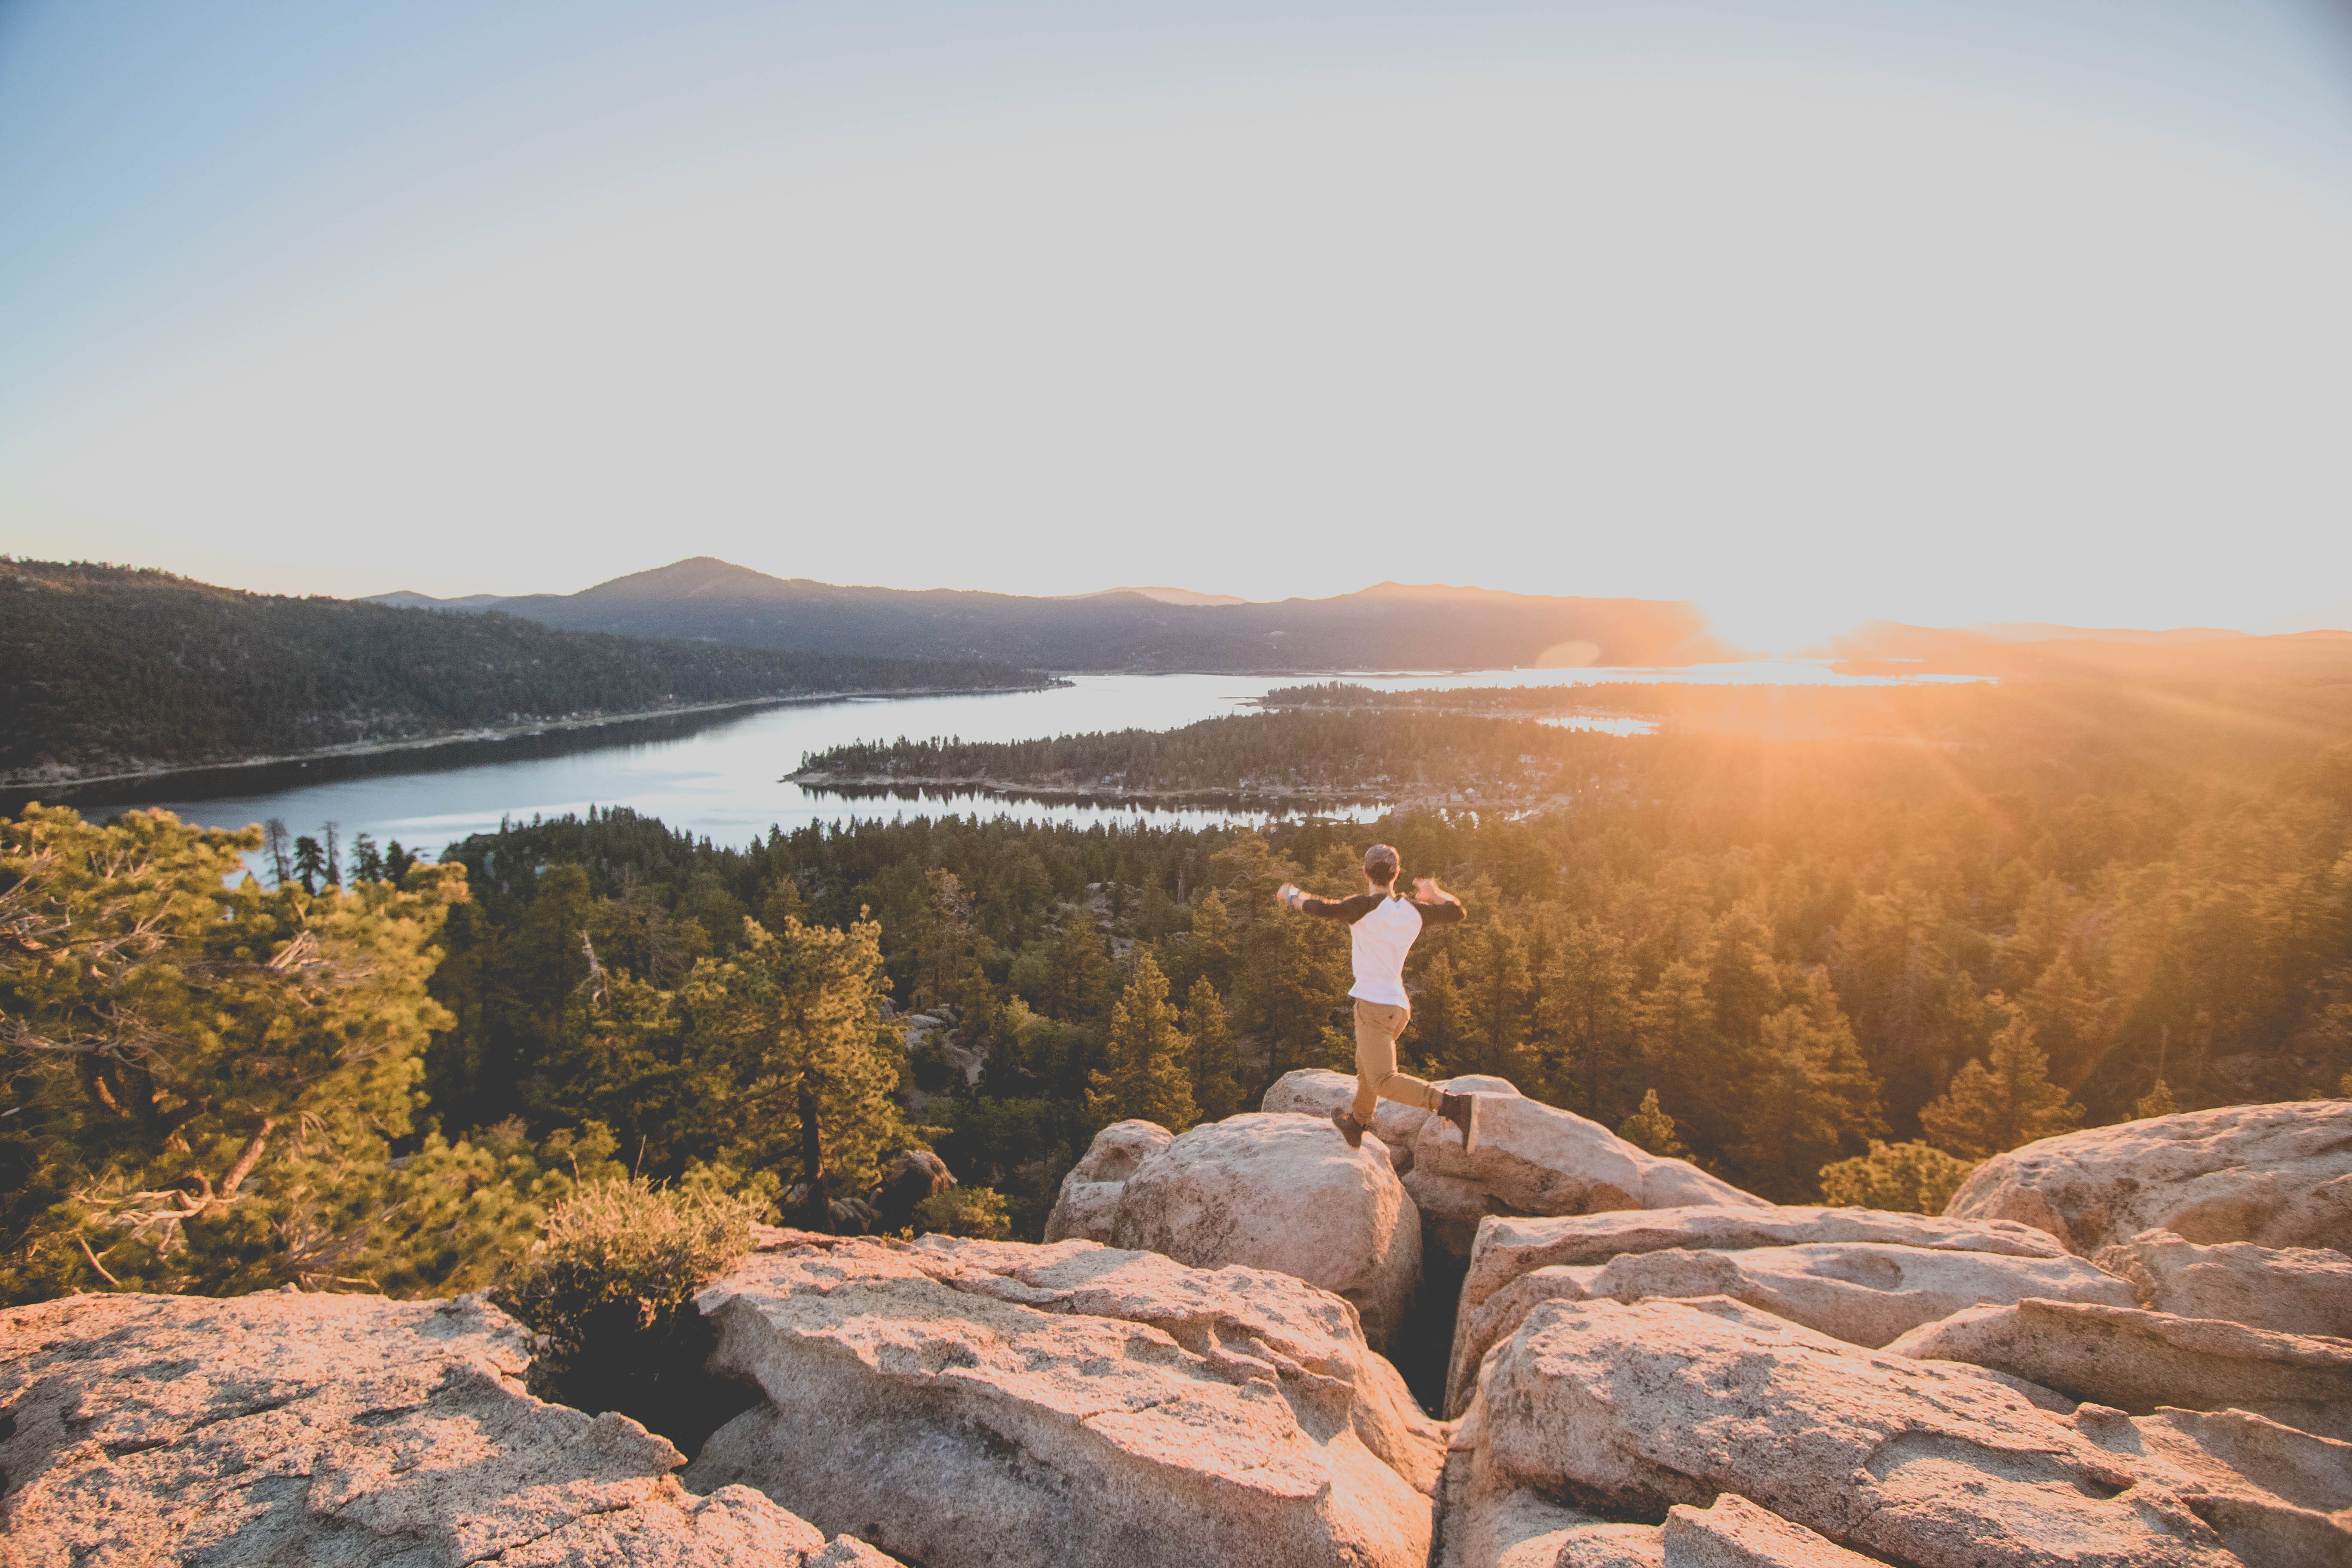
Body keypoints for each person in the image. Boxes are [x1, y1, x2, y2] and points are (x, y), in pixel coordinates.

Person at [1275, 844, 1479, 1154]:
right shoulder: (1413, 911)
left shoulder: (1363, 907)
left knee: (1383, 1078)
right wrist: (1434, 892)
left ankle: (1452, 1106)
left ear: (1366, 872)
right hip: (1397, 1007)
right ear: (1397, 874)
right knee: (1366, 1065)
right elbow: (1457, 911)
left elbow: (1320, 907)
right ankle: (1358, 1122)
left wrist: (1290, 895)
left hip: (1374, 1005)